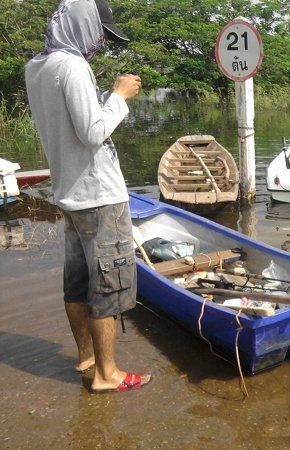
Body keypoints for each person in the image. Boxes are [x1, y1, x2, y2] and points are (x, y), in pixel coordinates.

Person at [25, 0, 151, 392]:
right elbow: (93, 132)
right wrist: (119, 96)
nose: (100, 45)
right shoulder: (73, 66)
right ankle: (107, 375)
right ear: (83, 24)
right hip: (99, 195)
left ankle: (87, 357)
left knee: (78, 283)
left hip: (70, 194)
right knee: (108, 287)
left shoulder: (36, 67)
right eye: (100, 34)